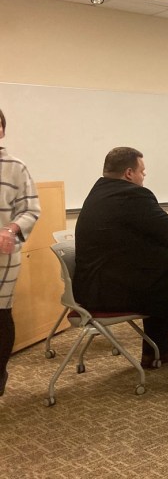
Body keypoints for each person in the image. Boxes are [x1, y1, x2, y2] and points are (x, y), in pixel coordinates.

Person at [73, 147, 168, 388]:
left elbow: (148, 229)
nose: (144, 176)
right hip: (112, 292)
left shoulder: (99, 192)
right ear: (129, 173)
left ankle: (156, 352)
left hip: (95, 285)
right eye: (143, 171)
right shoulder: (132, 194)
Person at [0, 109, 40, 397]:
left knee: (0, 313)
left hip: (3, 255)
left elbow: (30, 209)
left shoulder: (15, 167)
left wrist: (11, 229)